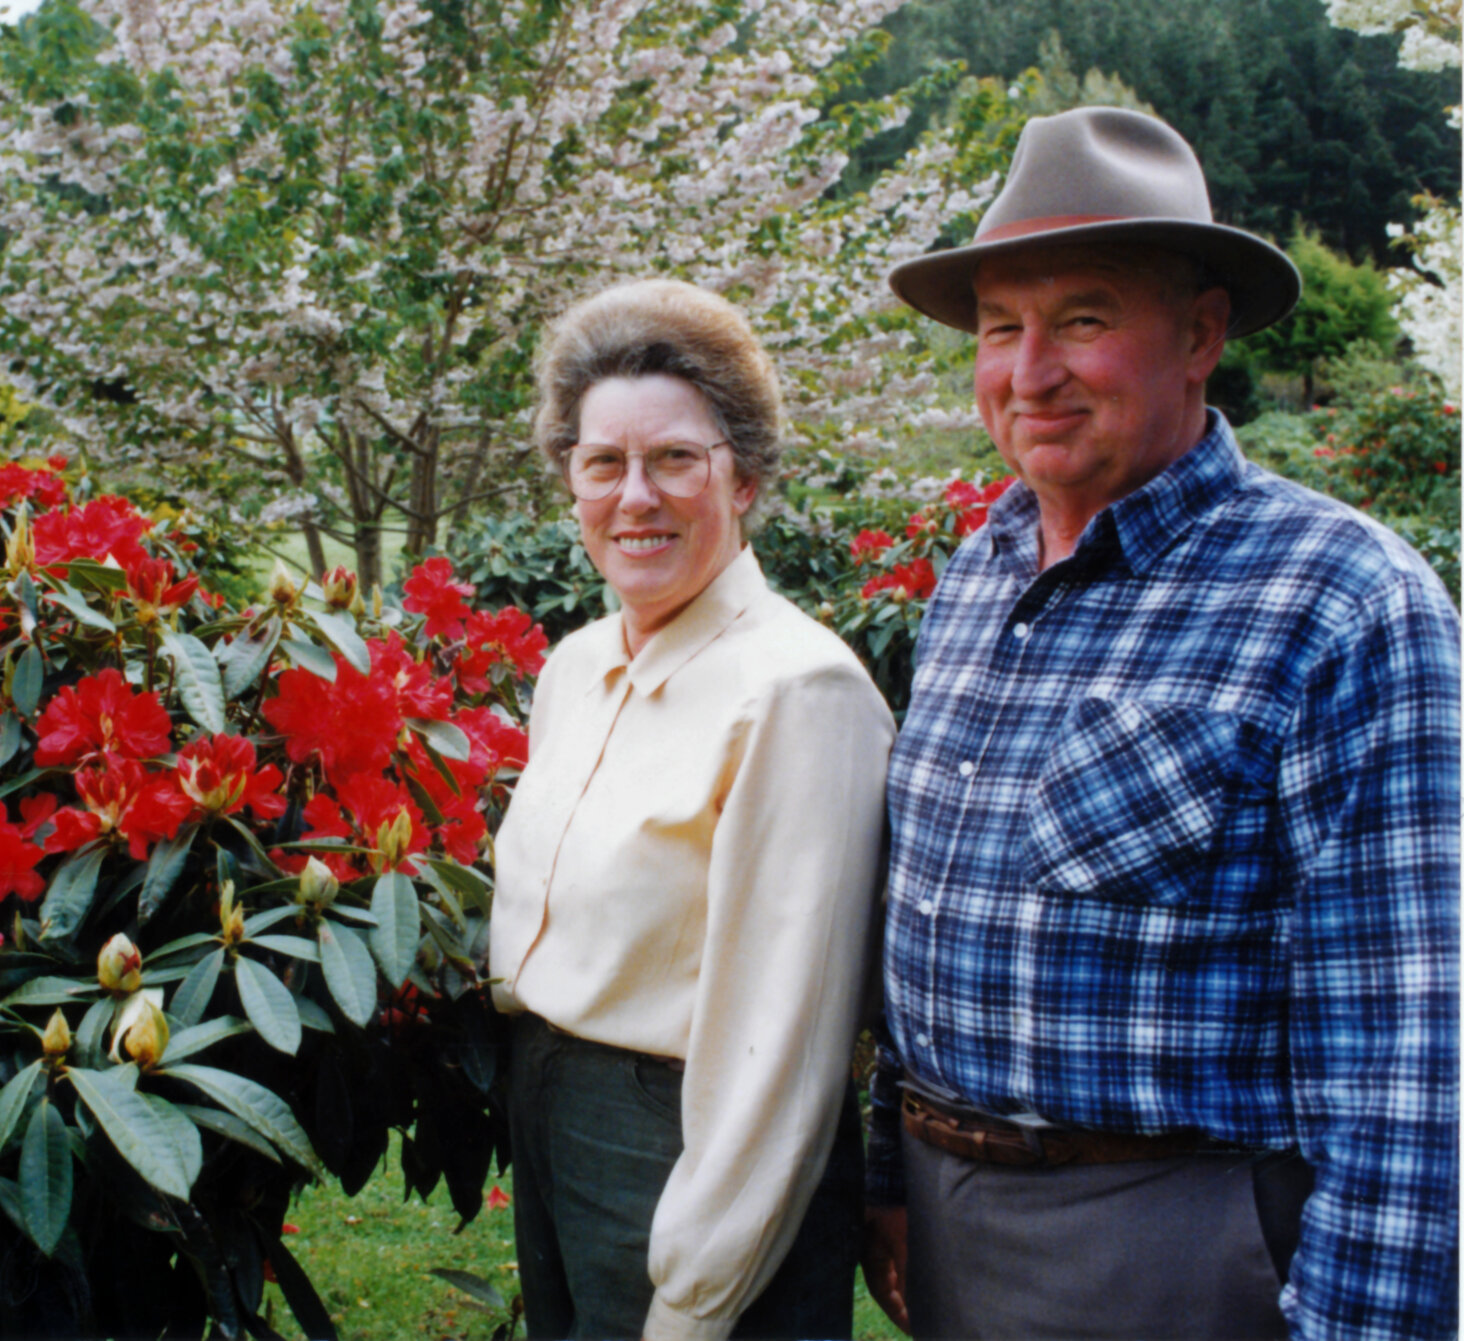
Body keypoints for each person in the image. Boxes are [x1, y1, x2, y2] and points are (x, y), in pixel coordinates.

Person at [863, 106, 1460, 1340]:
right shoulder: (979, 571)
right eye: (997, 329)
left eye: (1080, 319)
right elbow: (917, 912)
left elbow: (1411, 1055)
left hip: (1175, 1248)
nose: (1028, 372)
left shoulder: (1341, 597)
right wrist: (891, 1179)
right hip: (950, 1221)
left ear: (1197, 335)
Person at [490, 278, 895, 1341]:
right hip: (553, 1112)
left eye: (676, 458)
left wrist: (698, 1287)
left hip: (684, 1148)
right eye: (601, 463)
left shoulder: (796, 692)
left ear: (746, 475)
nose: (636, 496)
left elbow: (786, 1035)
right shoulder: (576, 667)